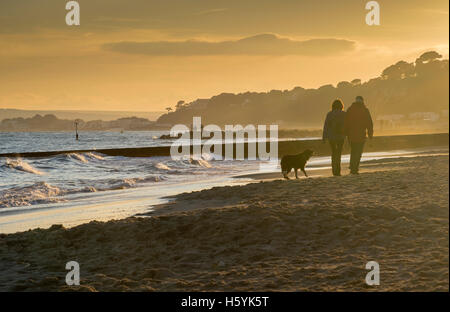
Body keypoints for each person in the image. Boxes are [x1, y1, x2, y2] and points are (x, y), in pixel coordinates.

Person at [344, 96, 373, 174]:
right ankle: (355, 167)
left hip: (351, 135)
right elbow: (369, 123)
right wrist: (370, 134)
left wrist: (346, 133)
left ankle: (352, 167)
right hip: (361, 134)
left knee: (353, 151)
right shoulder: (365, 110)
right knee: (359, 152)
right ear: (362, 101)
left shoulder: (350, 110)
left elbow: (346, 122)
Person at [322, 99, 346, 176]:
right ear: (341, 106)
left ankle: (334, 171)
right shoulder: (344, 114)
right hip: (341, 136)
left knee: (333, 153)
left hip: (331, 137)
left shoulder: (329, 114)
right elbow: (347, 125)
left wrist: (324, 137)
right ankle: (338, 171)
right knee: (339, 153)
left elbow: (326, 126)